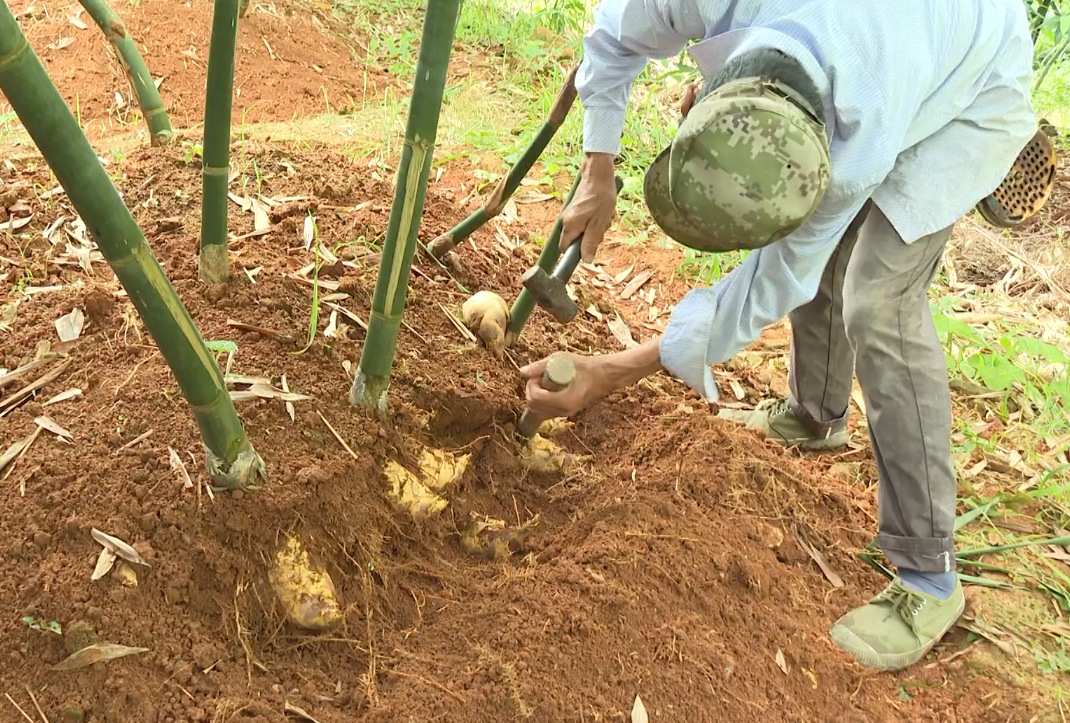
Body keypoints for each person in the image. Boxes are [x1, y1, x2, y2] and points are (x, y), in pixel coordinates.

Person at [521, 0, 1039, 672]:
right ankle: (815, 415)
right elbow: (612, 37)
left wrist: (613, 370)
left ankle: (929, 575)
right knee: (819, 233)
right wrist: (597, 172)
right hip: (895, 38)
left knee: (878, 298)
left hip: (971, 74)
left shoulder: (863, 125)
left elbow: (774, 278)